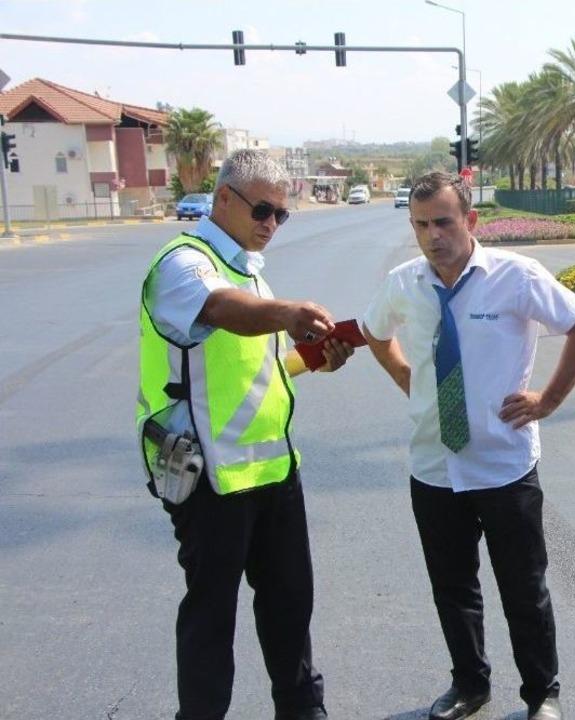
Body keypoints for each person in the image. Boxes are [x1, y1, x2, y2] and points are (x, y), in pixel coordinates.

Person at [362, 171, 575, 720]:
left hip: (504, 465)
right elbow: (375, 331)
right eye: (420, 224)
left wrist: (548, 400)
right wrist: (405, 376)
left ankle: (543, 694)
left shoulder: (516, 277)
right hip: (433, 465)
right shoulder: (405, 283)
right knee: (453, 588)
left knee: (525, 590)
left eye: (443, 222)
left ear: (470, 221)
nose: (432, 236)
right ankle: (470, 685)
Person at [137, 149, 355, 720]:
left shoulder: (247, 267)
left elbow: (265, 365)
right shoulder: (185, 263)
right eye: (262, 210)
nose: (271, 225)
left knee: (290, 610)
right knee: (211, 619)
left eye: (282, 215)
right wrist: (286, 312)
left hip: (274, 470)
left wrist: (316, 360)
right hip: (209, 475)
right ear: (224, 198)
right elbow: (220, 310)